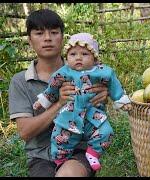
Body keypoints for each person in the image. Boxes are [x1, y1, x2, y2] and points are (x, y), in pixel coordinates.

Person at [8, 9, 108, 177]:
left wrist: (103, 95)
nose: (47, 38)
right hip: (41, 156)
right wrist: (59, 103)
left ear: (62, 38)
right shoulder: (20, 81)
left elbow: (99, 111)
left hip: (78, 150)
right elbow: (25, 132)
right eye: (39, 33)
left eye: (54, 32)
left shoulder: (86, 73)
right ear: (30, 40)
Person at [32, 32, 131, 172]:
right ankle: (60, 158)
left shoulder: (104, 72)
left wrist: (120, 100)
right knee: (59, 137)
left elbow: (114, 85)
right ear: (67, 57)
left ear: (95, 58)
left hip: (93, 117)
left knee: (106, 132)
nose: (78, 58)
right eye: (73, 54)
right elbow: (53, 87)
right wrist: (44, 100)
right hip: (69, 117)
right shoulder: (64, 72)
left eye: (84, 54)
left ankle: (93, 153)